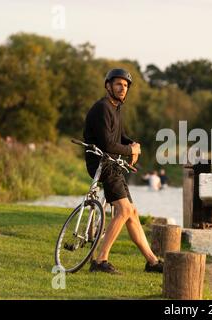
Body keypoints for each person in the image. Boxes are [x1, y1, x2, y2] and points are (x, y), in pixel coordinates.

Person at [83, 68, 163, 274]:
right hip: (102, 164)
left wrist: (133, 144)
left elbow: (119, 137)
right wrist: (130, 150)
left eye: (125, 85)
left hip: (112, 164)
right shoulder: (102, 108)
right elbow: (108, 144)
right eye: (118, 84)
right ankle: (100, 260)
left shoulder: (115, 108)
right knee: (124, 210)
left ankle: (152, 262)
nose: (122, 88)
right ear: (108, 86)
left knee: (132, 212)